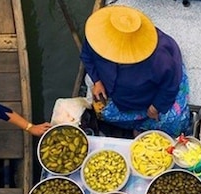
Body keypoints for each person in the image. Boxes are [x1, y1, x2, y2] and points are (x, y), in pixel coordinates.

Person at [80, 5, 190, 137]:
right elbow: (87, 56)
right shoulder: (98, 38)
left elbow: (170, 85)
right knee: (102, 114)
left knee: (172, 120)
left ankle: (144, 127)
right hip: (121, 98)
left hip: (147, 97)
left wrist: (155, 107)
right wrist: (97, 81)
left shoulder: (159, 58)